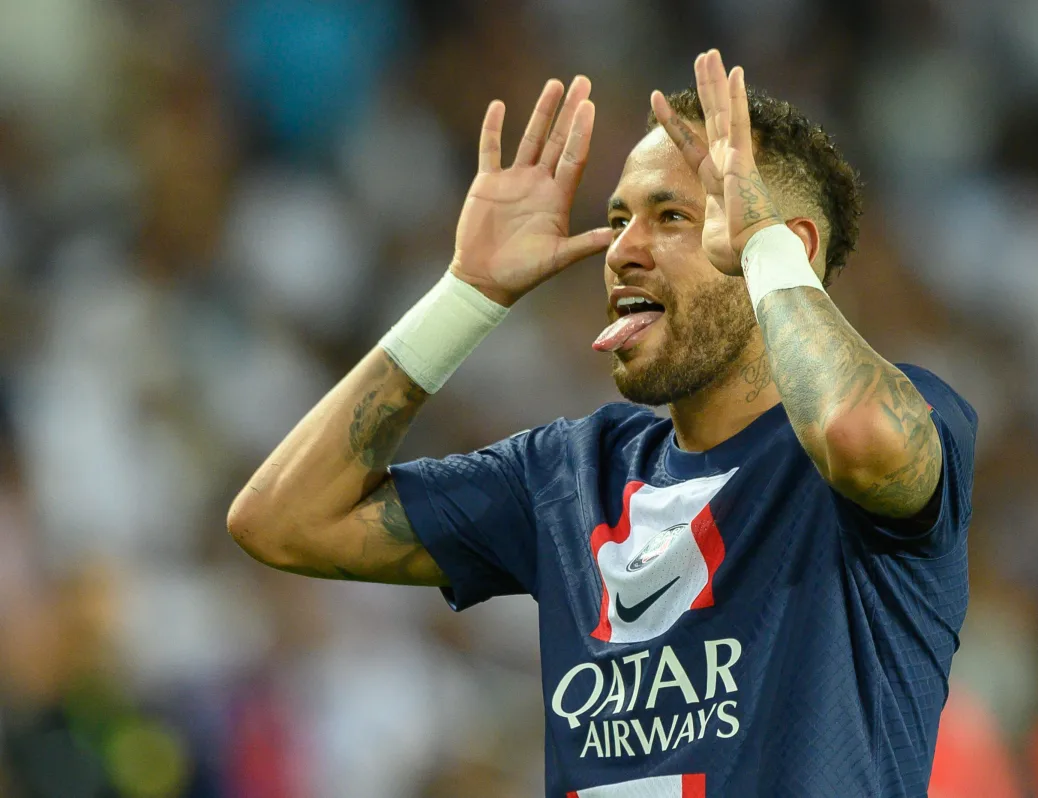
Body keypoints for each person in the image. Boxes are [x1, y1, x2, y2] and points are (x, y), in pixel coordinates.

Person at [228, 49, 978, 798]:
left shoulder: (900, 416)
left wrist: (762, 245)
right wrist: (467, 296)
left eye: (673, 217)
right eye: (618, 220)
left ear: (789, 247)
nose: (621, 251)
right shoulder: (567, 475)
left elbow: (855, 437)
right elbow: (281, 520)